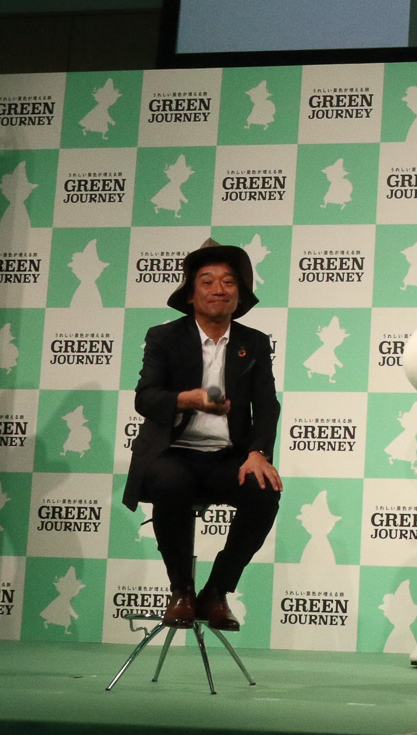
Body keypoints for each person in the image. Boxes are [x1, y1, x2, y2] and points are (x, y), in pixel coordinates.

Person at [122, 242, 282, 631]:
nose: (219, 289)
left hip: (227, 456)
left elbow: (266, 404)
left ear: (239, 295)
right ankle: (181, 591)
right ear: (190, 294)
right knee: (170, 482)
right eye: (207, 281)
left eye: (229, 282)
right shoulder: (164, 337)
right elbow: (146, 397)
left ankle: (217, 591)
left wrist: (259, 452)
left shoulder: (254, 342)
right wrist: (187, 399)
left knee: (264, 492)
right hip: (172, 451)